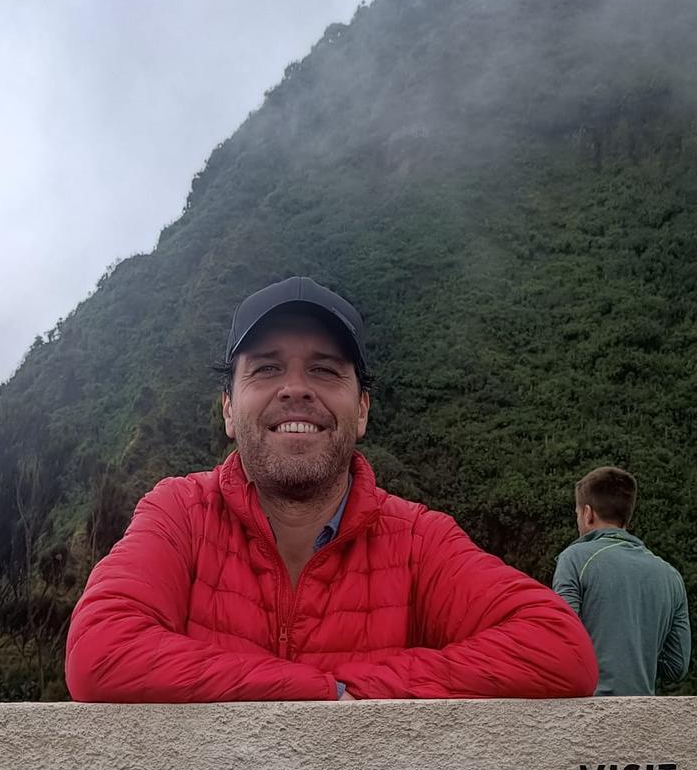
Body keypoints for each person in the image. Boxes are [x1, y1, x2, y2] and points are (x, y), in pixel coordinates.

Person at [65, 276, 597, 703]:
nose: (296, 388)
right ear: (229, 407)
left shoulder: (418, 540)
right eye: (267, 368)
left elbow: (558, 647)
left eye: (324, 370)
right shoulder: (179, 512)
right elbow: (101, 651)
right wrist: (321, 691)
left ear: (361, 409)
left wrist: (366, 688)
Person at [552, 467, 691, 697]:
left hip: (588, 714)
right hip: (641, 718)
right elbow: (676, 667)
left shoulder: (575, 559)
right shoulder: (671, 576)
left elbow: (563, 642)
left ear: (588, 513)